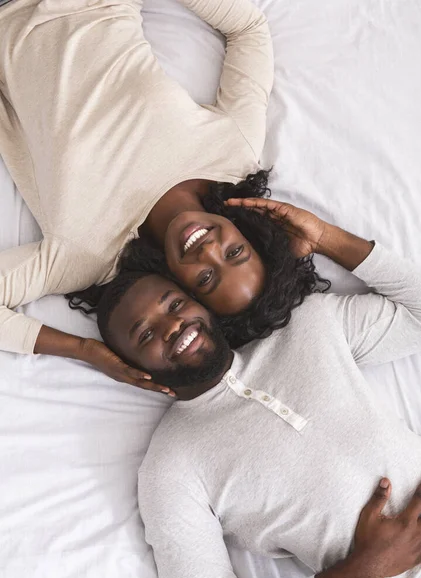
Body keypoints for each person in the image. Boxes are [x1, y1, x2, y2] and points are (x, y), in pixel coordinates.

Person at [96, 227, 421, 578]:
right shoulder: (171, 466)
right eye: (145, 335)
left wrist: (322, 235)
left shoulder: (309, 324)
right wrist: (363, 572)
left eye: (175, 305)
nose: (172, 326)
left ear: (200, 303)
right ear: (135, 369)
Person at [0, 0, 274, 391]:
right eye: (235, 252)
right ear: (248, 233)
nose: (209, 250)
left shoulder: (84, 256)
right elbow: (249, 30)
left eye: (207, 278)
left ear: (181, 286)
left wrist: (84, 350)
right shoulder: (233, 154)